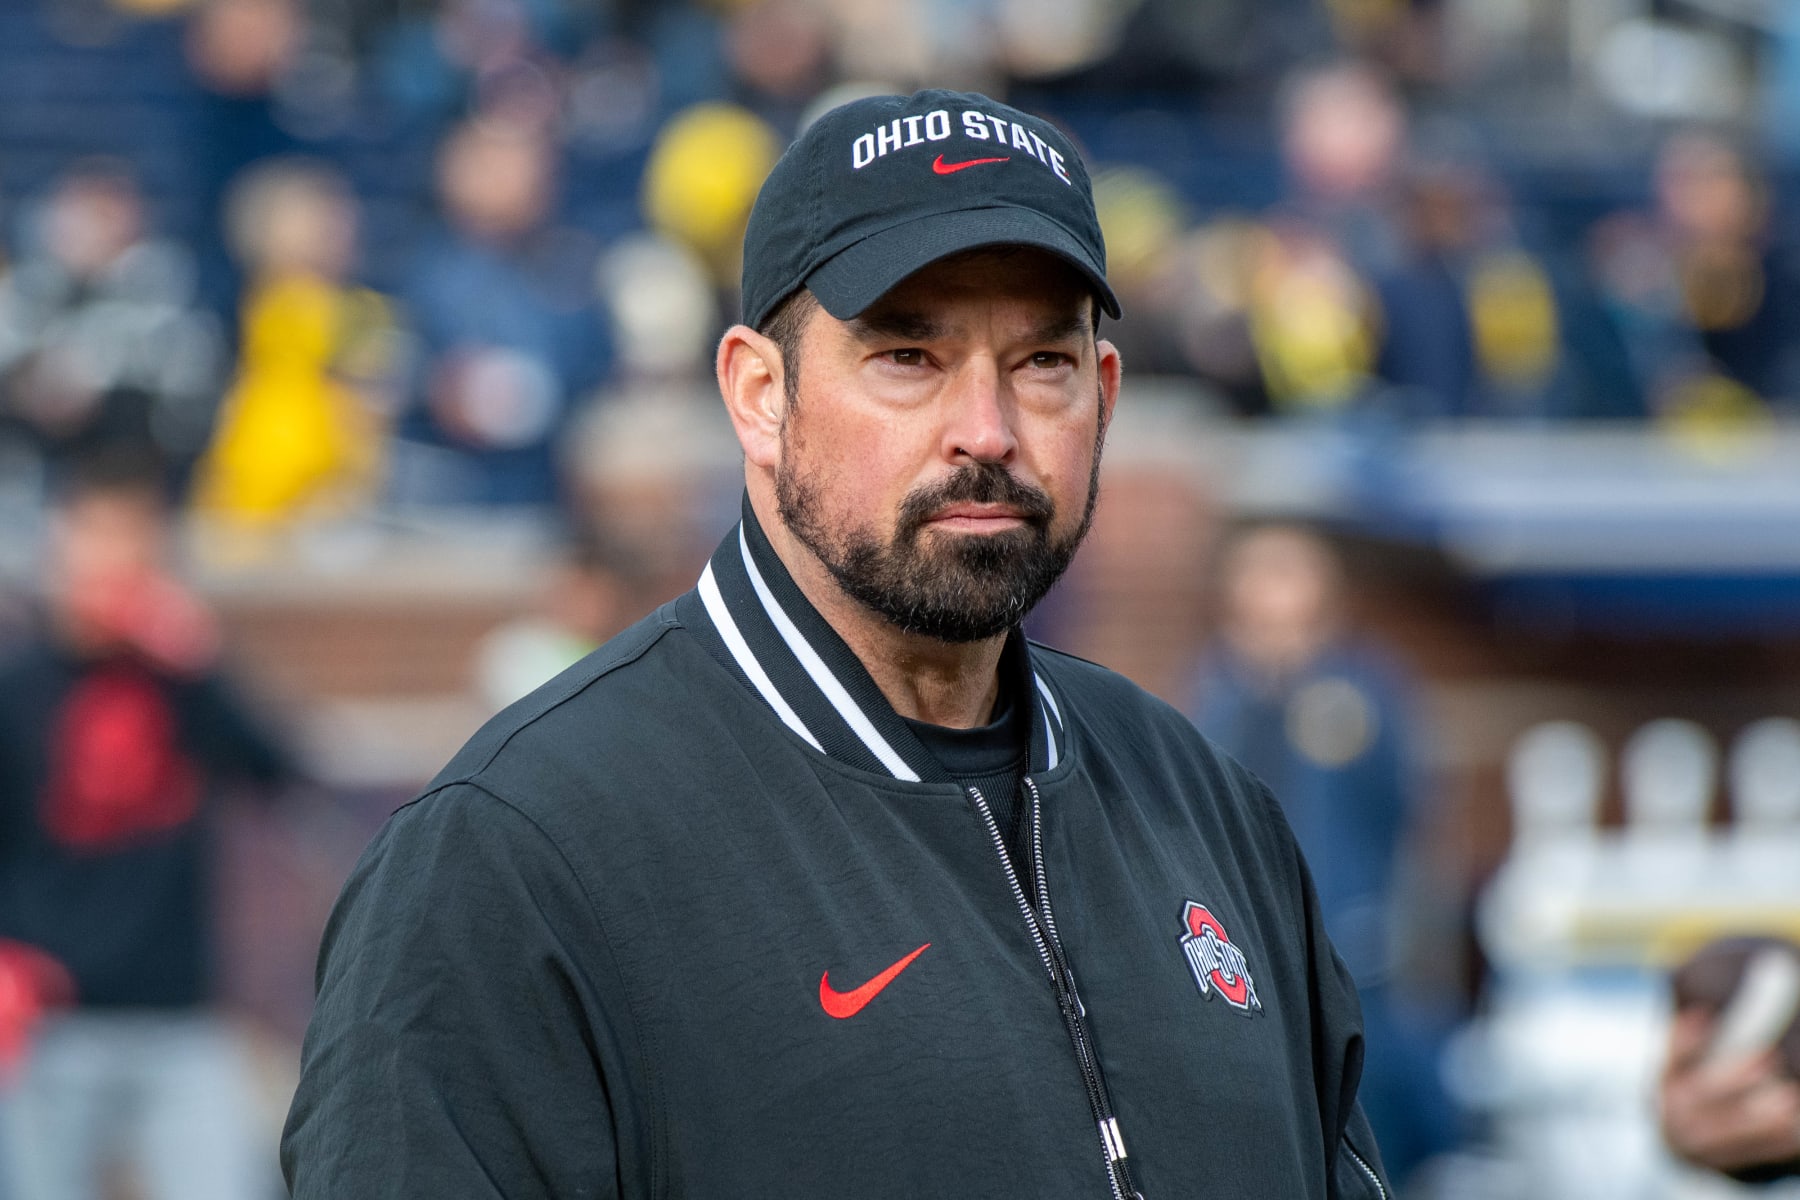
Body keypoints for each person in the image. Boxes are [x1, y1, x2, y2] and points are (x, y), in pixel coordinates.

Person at [284, 88, 1392, 1198]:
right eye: (908, 355)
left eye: (1042, 361)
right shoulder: (516, 858)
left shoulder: (1207, 810)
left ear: (1104, 394)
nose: (988, 431)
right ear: (759, 395)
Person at [0, 453, 294, 1200]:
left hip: (180, 1016)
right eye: (96, 538)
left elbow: (279, 771)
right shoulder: (20, 686)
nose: (114, 562)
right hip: (53, 1020)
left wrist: (203, 662)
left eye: (134, 542)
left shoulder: (183, 678)